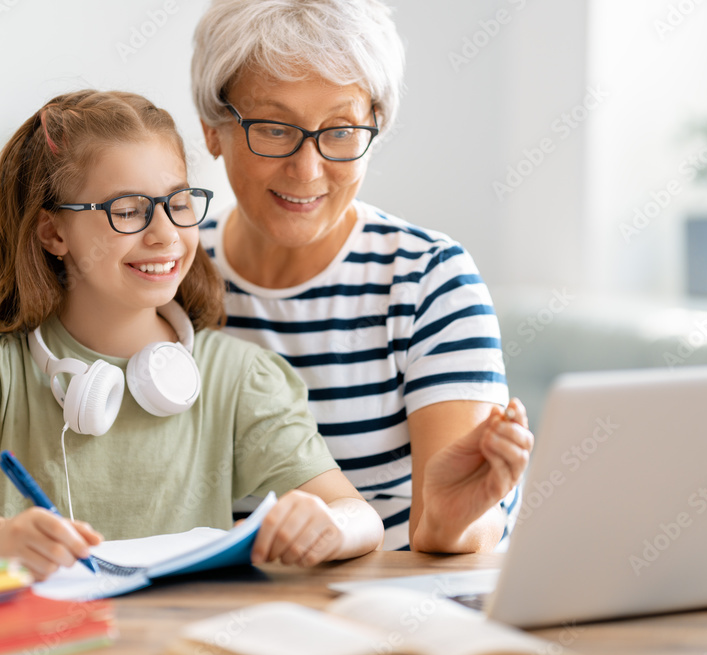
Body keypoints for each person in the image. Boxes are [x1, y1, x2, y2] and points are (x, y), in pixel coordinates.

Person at [0, 90, 384, 579]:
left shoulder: (237, 376)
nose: (165, 234)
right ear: (54, 231)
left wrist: (329, 527)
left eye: (177, 204)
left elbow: (359, 515)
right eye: (127, 210)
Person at [191, 0, 534, 552]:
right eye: (275, 129)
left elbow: (450, 530)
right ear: (213, 129)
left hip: (389, 607)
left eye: (342, 130)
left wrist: (448, 522)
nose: (307, 170)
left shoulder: (428, 280)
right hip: (215, 611)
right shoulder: (169, 269)